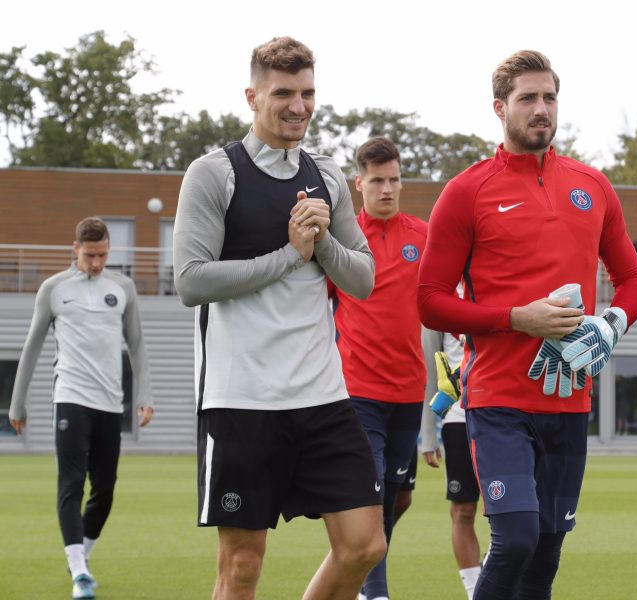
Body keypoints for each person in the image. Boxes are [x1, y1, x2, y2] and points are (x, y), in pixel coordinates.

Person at [418, 50, 637, 599]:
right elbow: (429, 301)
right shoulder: (466, 191)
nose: (541, 108)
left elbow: (633, 280)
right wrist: (516, 319)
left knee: (545, 554)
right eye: (527, 98)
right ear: (500, 108)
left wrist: (610, 323)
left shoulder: (592, 185)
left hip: (570, 399)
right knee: (516, 537)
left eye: (549, 97)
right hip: (498, 400)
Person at [172, 37, 386, 600]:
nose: (299, 106)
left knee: (365, 546)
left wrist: (320, 246)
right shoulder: (215, 173)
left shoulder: (328, 175)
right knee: (242, 566)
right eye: (283, 93)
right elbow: (191, 280)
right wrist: (289, 255)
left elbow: (362, 279)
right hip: (243, 400)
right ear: (252, 96)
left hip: (322, 396)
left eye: (308, 93)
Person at [9, 216, 154, 600]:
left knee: (104, 490)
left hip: (110, 403)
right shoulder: (53, 289)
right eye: (90, 255)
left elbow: (136, 344)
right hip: (71, 396)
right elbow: (32, 345)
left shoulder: (122, 288)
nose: (96, 263)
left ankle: (82, 561)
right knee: (71, 484)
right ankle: (79, 573)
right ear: (75, 250)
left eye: (103, 255)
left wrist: (144, 396)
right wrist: (17, 402)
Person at [329, 136, 427, 600]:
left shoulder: (424, 237)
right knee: (373, 494)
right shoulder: (343, 238)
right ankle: (375, 590)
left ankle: (359, 559)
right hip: (358, 392)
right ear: (358, 182)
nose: (387, 189)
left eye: (394, 180)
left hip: (409, 394)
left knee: (397, 495)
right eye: (377, 181)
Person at [421, 330, 482, 600]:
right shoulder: (440, 295)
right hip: (458, 416)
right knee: (464, 510)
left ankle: (496, 580)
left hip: (503, 410)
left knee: (514, 513)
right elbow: (430, 373)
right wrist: (428, 436)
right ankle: (476, 592)